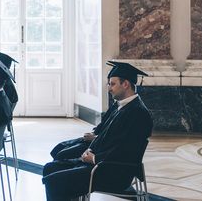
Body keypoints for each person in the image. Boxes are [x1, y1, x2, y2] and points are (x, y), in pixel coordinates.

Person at [42, 62, 153, 201]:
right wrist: (90, 150)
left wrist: (94, 158)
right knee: (50, 168)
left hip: (111, 171)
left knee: (54, 182)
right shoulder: (124, 106)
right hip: (101, 165)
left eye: (112, 84)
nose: (109, 88)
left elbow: (126, 150)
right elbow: (110, 138)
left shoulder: (138, 113)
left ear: (125, 84)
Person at [49, 100, 119, 161]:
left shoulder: (123, 111)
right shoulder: (116, 104)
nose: (109, 90)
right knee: (58, 147)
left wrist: (96, 138)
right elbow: (103, 122)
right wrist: (94, 133)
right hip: (96, 138)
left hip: (100, 144)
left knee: (61, 155)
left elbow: (114, 139)